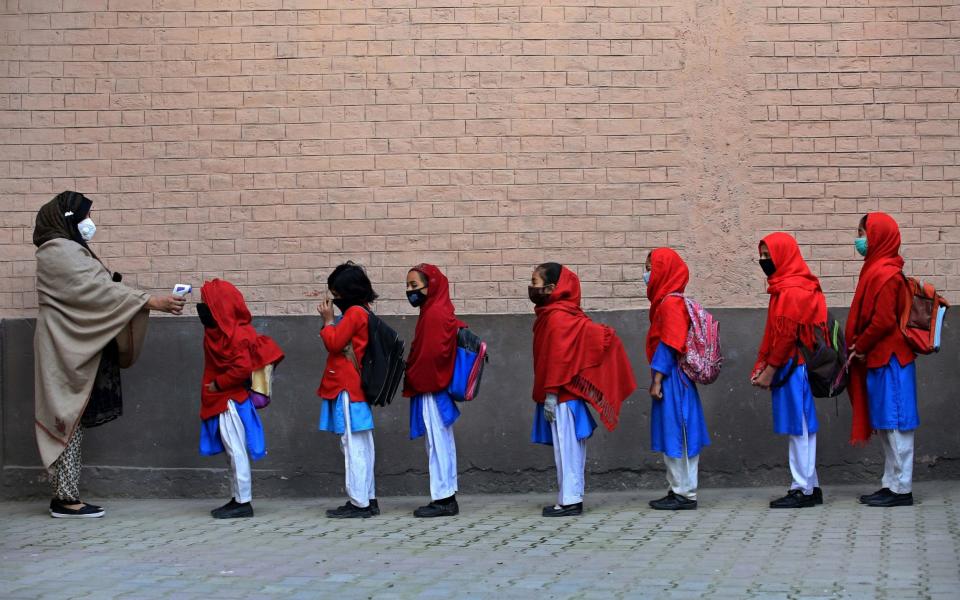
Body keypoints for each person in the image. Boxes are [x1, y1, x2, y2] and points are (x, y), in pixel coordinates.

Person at [33, 191, 185, 518]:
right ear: (68, 219)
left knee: (72, 415)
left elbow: (96, 291)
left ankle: (66, 493)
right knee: (66, 415)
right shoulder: (58, 252)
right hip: (63, 346)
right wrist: (152, 302)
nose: (90, 223)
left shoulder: (68, 250)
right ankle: (65, 499)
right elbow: (96, 292)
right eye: (85, 216)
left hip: (70, 342)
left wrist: (135, 298)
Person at [529, 262, 636, 517]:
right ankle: (567, 497)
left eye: (535, 282)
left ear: (552, 287)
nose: (531, 287)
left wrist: (552, 393)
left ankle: (570, 501)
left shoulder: (558, 317)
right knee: (567, 450)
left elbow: (559, 358)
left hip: (563, 398)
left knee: (567, 451)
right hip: (564, 397)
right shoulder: (562, 314)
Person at [197, 279, 284, 519]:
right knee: (232, 452)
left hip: (230, 401)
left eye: (207, 303)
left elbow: (242, 368)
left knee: (236, 451)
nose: (201, 307)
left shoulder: (236, 335)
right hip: (222, 400)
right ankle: (237, 497)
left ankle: (243, 501)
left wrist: (218, 384)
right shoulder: (217, 333)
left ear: (219, 307)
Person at [847, 213, 918, 507]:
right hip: (880, 359)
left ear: (877, 236)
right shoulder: (877, 269)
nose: (859, 239)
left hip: (891, 360)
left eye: (862, 232)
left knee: (898, 424)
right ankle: (891, 484)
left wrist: (860, 346)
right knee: (887, 425)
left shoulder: (885, 273)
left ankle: (902, 489)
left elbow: (883, 321)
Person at [751, 232, 826, 509]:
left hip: (794, 367)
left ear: (783, 255)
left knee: (800, 428)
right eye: (762, 256)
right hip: (794, 366)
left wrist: (769, 370)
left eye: (768, 256)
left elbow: (785, 336)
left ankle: (802, 489)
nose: (764, 261)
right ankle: (811, 485)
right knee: (802, 427)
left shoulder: (791, 290)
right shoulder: (790, 286)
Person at [644, 248, 709, 510]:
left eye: (651, 267)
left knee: (679, 434)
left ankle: (685, 493)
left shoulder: (670, 303)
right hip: (674, 378)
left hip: (673, 379)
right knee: (674, 434)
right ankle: (677, 488)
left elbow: (669, 344)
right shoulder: (668, 302)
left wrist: (657, 379)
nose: (647, 274)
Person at [317, 262, 380, 518]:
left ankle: (358, 503)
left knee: (352, 444)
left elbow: (334, 343)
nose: (334, 299)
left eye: (336, 293)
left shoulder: (354, 313)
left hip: (346, 386)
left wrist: (328, 322)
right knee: (362, 444)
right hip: (355, 387)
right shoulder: (364, 311)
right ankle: (368, 497)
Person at [403, 264, 466, 517]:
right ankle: (444, 495)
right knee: (439, 442)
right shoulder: (434, 310)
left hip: (432, 388)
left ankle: (444, 499)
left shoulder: (434, 315)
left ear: (432, 285)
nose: (409, 291)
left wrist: (414, 375)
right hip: (432, 388)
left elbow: (432, 356)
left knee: (438, 443)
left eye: (414, 286)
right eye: (408, 286)